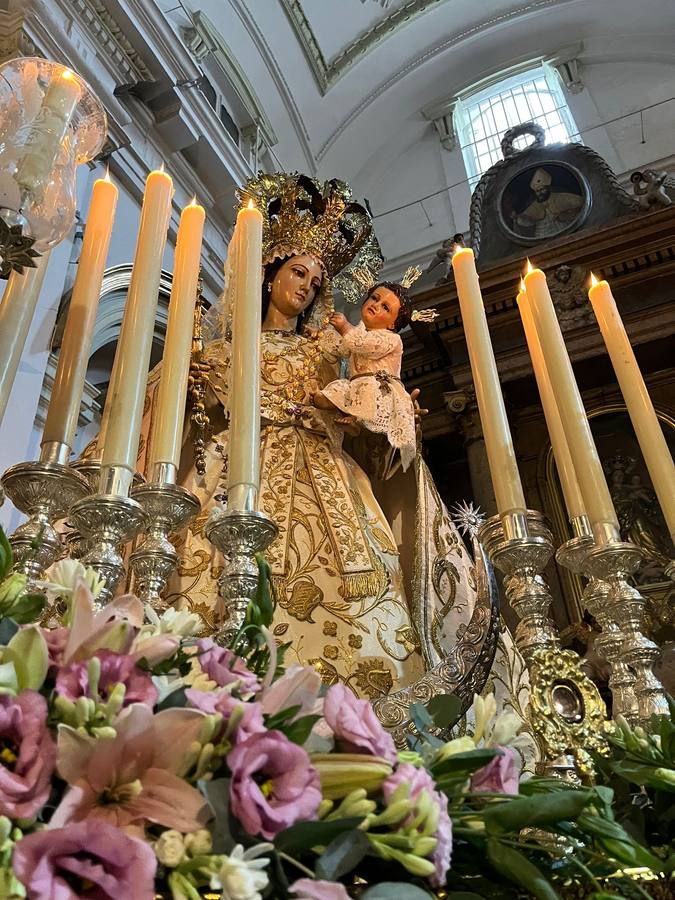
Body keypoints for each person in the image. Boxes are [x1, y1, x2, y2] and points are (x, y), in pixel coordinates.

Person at [130, 174, 528, 714]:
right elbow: (189, 412)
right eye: (298, 272)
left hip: (324, 476)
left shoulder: (326, 347)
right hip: (232, 475)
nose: (307, 287)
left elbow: (359, 400)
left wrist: (387, 407)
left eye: (317, 282)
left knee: (361, 595)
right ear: (268, 276)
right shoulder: (225, 348)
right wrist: (186, 378)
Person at [313, 269, 433, 472]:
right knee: (329, 395)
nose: (375, 306)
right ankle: (348, 416)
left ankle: (355, 421)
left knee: (364, 402)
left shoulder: (391, 339)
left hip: (379, 388)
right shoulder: (358, 330)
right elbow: (342, 348)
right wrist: (318, 335)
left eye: (385, 307)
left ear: (393, 322)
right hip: (357, 385)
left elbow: (365, 345)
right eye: (374, 298)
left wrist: (344, 328)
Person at [512, 167, 583, 238]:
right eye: (537, 191)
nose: (540, 193)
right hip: (542, 236)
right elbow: (526, 219)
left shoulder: (561, 197)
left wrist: (568, 214)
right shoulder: (534, 205)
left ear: (548, 188)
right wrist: (518, 217)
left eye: (542, 189)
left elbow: (581, 203)